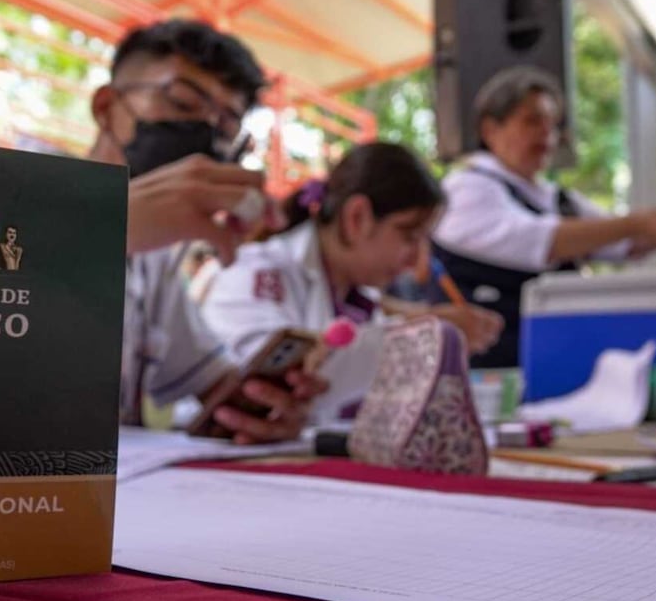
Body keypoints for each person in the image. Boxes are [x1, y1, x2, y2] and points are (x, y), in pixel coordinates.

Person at [88, 19, 324, 444]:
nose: (204, 135)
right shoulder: (3, 205)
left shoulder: (154, 258)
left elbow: (215, 386)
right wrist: (102, 226)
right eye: (181, 103)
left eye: (226, 126)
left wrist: (263, 408)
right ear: (106, 107)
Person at [201, 143, 502, 421]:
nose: (417, 259)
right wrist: (426, 334)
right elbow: (268, 377)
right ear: (357, 217)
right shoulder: (260, 271)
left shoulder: (359, 298)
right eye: (409, 235)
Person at [432, 65, 656, 367]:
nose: (547, 135)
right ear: (490, 130)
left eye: (553, 125)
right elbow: (540, 240)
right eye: (532, 122)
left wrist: (648, 229)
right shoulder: (466, 189)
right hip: (485, 371)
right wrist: (637, 223)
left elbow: (624, 243)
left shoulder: (559, 199)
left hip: (553, 360)